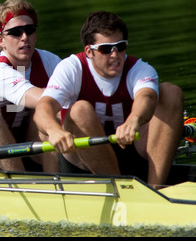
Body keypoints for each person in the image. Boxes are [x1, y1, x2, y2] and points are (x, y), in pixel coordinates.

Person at [33, 10, 183, 188]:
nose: (115, 55)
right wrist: (53, 130)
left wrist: (134, 119)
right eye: (105, 49)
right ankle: (121, 191)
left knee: (171, 92)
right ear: (89, 51)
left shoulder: (140, 69)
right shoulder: (71, 68)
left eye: (120, 47)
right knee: (79, 110)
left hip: (131, 152)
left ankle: (156, 188)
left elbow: (147, 97)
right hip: (84, 161)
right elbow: (43, 109)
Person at [0, 0, 62, 172]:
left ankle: (55, 181)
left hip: (27, 147)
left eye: (29, 30)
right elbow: (45, 97)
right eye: (16, 32)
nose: (24, 37)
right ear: (1, 40)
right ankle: (21, 183)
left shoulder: (49, 60)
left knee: (51, 109)